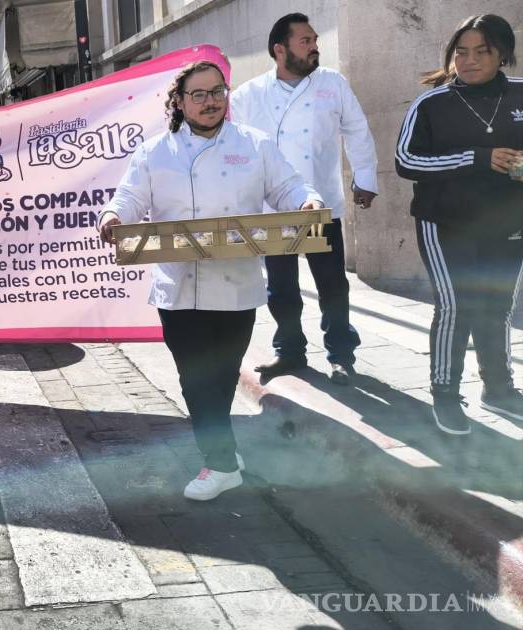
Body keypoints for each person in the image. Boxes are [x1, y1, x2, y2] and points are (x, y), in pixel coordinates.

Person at [98, 61, 323, 501]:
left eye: (216, 91)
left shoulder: (254, 145)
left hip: (235, 286)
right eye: (198, 94)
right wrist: (113, 215)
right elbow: (129, 196)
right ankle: (220, 462)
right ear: (179, 102)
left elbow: (289, 187)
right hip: (178, 288)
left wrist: (309, 200)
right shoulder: (155, 152)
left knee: (219, 377)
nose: (210, 101)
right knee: (194, 378)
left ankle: (222, 454)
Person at [230, 13, 379, 386]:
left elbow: (357, 130)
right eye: (305, 41)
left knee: (332, 284)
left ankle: (341, 354)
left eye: (315, 40)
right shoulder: (249, 95)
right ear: (280, 50)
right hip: (273, 210)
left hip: (320, 203)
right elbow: (230, 143)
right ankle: (290, 350)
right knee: (280, 288)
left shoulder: (332, 83)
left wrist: (365, 179)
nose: (315, 47)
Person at [395, 14, 523, 435]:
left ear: (503, 53)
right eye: (461, 51)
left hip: (508, 223)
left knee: (497, 306)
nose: (468, 60)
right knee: (455, 305)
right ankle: (446, 394)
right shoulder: (432, 104)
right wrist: (477, 157)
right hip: (444, 222)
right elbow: (406, 162)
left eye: (481, 51)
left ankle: (500, 390)